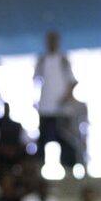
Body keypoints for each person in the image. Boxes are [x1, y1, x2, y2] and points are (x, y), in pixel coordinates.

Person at [34, 31, 78, 168]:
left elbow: (72, 81)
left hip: (62, 110)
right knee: (43, 140)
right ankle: (41, 167)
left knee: (65, 140)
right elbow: (35, 79)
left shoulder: (63, 60)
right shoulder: (42, 60)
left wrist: (66, 97)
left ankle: (68, 168)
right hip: (45, 108)